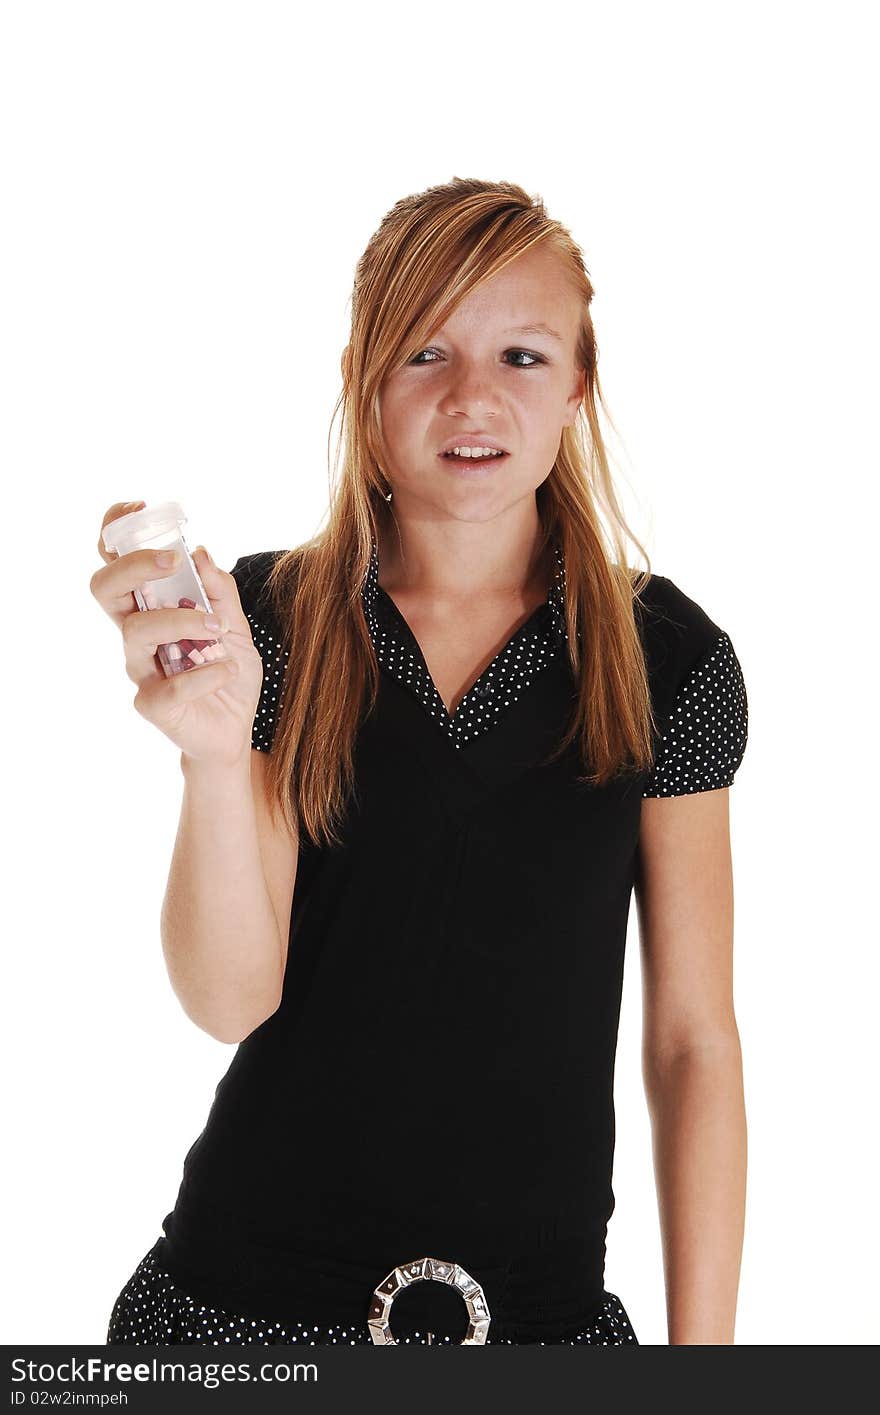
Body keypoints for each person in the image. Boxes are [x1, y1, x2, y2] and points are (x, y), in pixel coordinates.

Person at [92, 177, 749, 1347]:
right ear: (364, 377)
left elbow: (691, 1038)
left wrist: (707, 1367)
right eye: (425, 351)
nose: (471, 396)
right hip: (243, 1314)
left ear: (580, 383)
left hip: (538, 1327)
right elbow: (230, 997)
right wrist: (210, 754)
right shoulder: (272, 619)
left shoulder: (670, 658)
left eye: (523, 355)